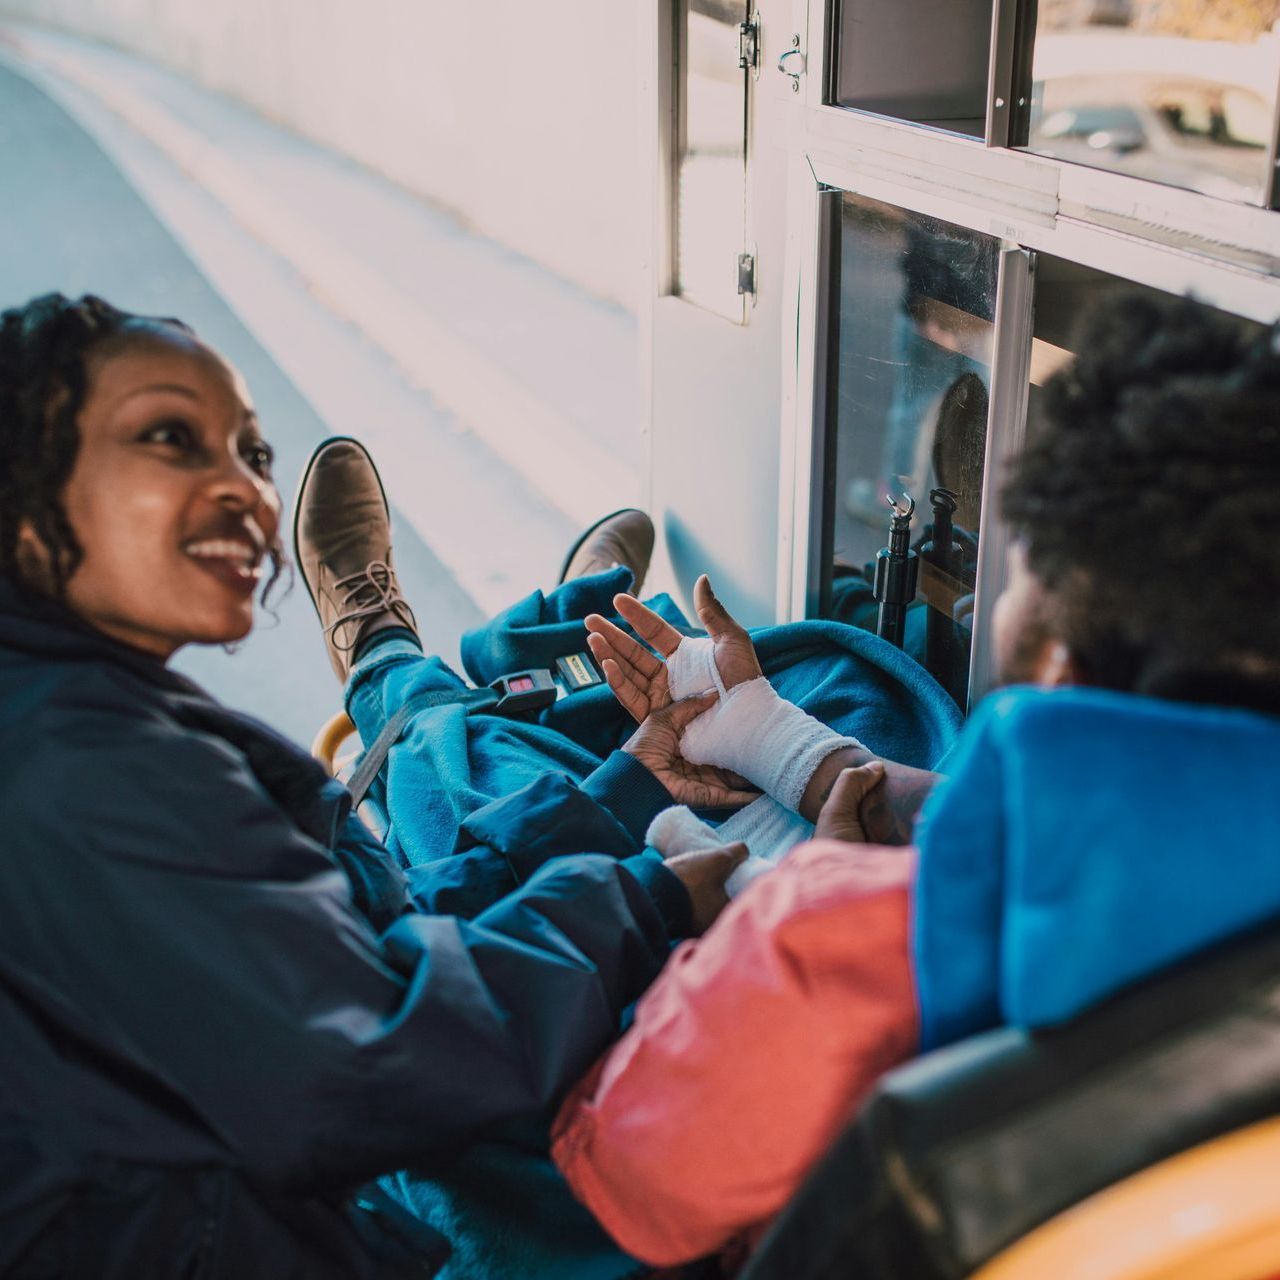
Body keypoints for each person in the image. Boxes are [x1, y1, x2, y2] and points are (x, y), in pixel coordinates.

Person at [0, 291, 756, 1278]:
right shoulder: (83, 770)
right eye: (171, 437)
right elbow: (371, 1062)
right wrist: (638, 896)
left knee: (466, 771)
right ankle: (411, 654)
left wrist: (616, 803)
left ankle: (409, 658)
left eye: (250, 452)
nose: (242, 489)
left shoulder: (79, 715)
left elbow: (339, 954)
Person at [549, 292, 1280, 1268]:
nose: (984, 593)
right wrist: (772, 741)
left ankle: (398, 671)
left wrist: (750, 907)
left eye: (1011, 570)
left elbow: (612, 1166)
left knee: (483, 803)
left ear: (1056, 663)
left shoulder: (824, 943)